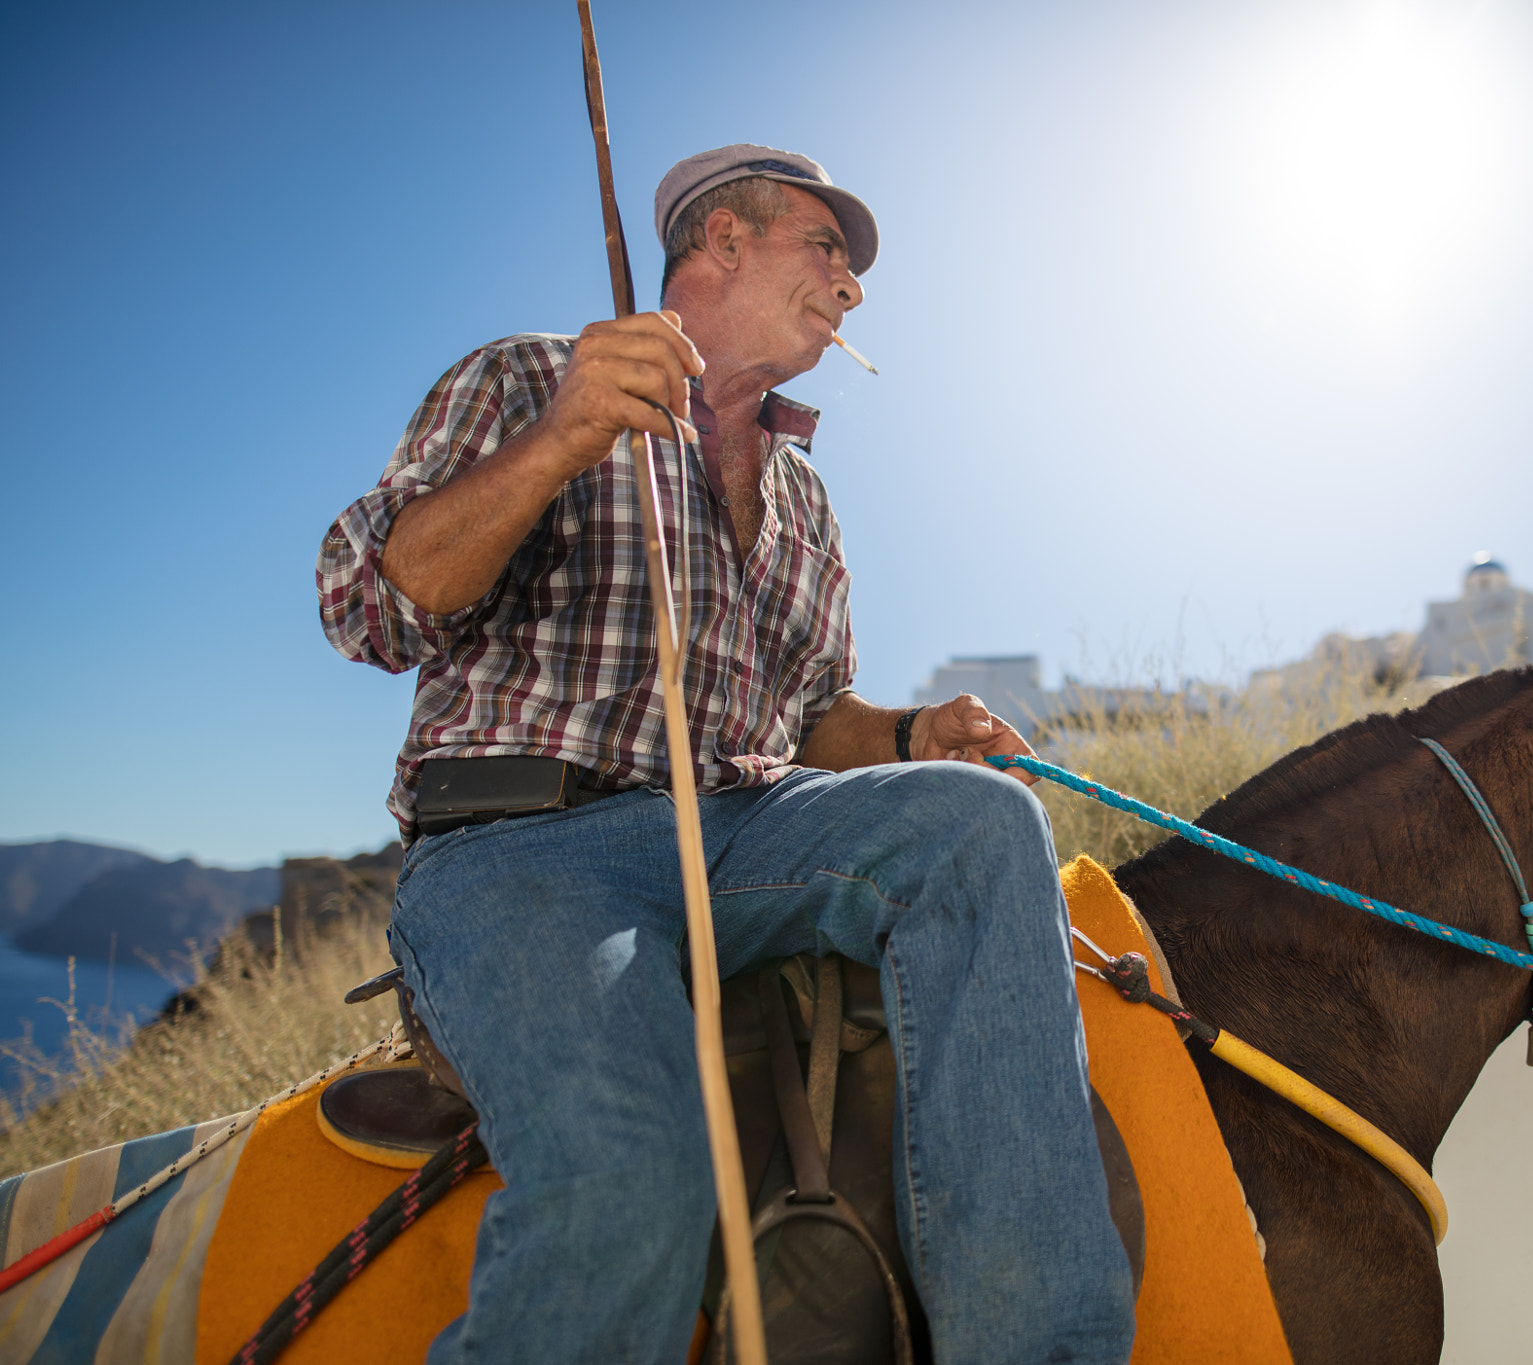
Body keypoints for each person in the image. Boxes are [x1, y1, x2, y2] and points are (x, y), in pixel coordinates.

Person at [317, 144, 1136, 1364]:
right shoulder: (535, 377)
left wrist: (914, 737)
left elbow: (814, 720)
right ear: (723, 242)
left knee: (974, 820)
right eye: (828, 250)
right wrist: (560, 440)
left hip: (748, 829)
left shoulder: (805, 497)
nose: (850, 287)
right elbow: (372, 607)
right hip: (522, 848)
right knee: (631, 1160)